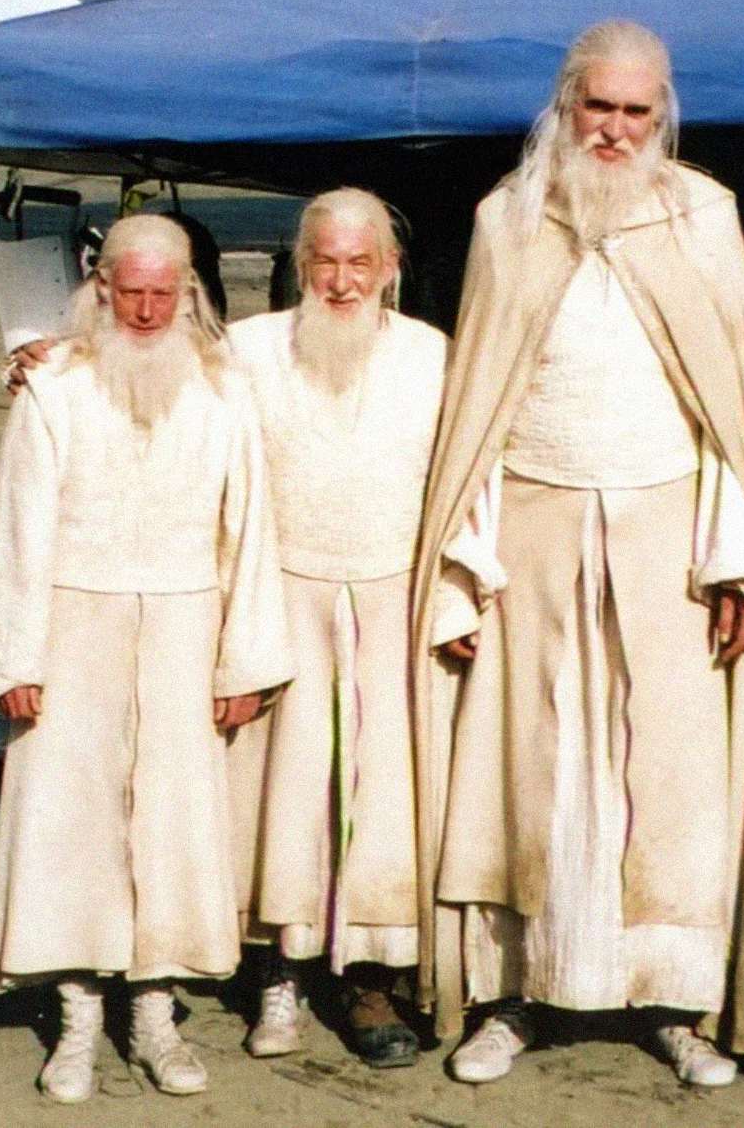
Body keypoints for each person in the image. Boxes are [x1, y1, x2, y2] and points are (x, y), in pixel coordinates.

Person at [410, 21, 744, 1090]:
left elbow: (732, 409)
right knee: (529, 773)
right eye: (595, 108)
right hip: (532, 524)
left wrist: (740, 562)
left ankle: (674, 1003)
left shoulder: (700, 214)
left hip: (670, 534)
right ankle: (512, 1000)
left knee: (672, 777)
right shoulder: (505, 219)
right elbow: (481, 396)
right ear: (564, 107)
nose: (612, 130)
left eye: (634, 112)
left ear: (663, 116)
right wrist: (466, 571)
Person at [0, 214, 293, 1104]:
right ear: (101, 285)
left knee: (176, 823)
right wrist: (14, 659)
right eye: (129, 290)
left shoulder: (226, 387)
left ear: (189, 291)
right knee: (70, 821)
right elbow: (21, 524)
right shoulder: (56, 384)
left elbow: (249, 529)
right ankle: (75, 1017)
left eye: (163, 292)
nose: (146, 310)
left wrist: (245, 663)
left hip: (189, 625)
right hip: (73, 624)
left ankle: (153, 1012)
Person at [227, 189, 446, 1068]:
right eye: (327, 260)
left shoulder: (433, 353)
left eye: (362, 261)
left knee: (384, 802)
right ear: (300, 263)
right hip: (281, 591)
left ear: (391, 269)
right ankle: (279, 971)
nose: (343, 279)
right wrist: (51, 356)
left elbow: (468, 482)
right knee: (284, 795)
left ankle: (369, 980)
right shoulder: (247, 350)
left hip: (394, 598)